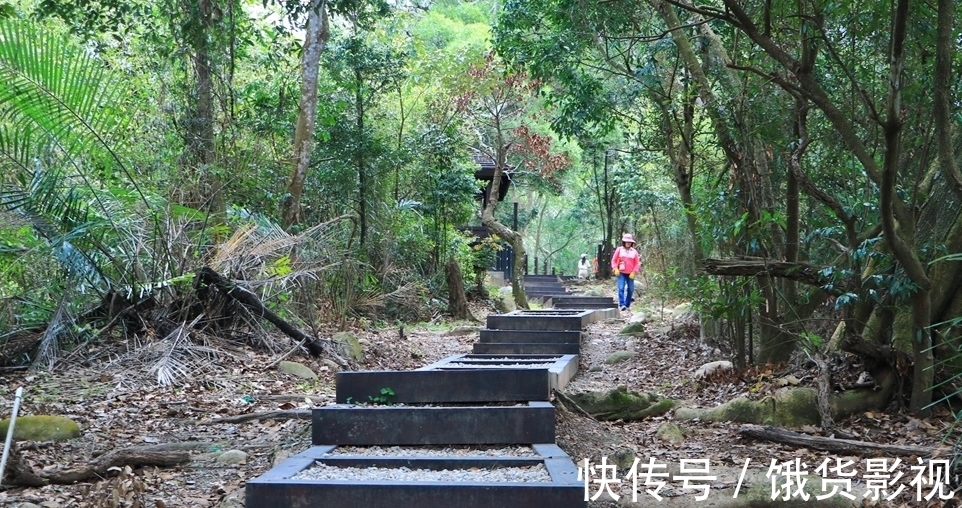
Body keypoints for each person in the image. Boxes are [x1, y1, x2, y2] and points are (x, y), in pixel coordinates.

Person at [610, 233, 641, 311]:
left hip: (630, 274)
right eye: (626, 242)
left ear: (632, 243)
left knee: (631, 289)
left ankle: (627, 304)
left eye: (629, 242)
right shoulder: (619, 249)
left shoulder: (634, 252)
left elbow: (637, 263)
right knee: (621, 288)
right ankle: (622, 304)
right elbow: (613, 260)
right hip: (621, 273)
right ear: (624, 242)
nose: (628, 243)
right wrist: (615, 268)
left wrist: (634, 271)